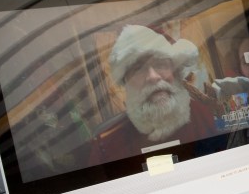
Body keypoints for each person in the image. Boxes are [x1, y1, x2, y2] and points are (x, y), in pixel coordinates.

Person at [90, 24, 218, 164]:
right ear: (126, 82)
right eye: (138, 69)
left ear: (176, 72)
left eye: (160, 64)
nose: (152, 76)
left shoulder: (208, 118)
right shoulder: (107, 147)